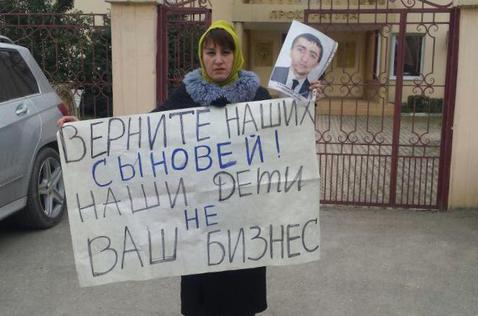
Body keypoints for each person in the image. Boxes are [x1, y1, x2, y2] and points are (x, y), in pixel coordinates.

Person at [58, 20, 324, 316]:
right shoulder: (184, 97)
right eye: (211, 52)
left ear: (236, 55)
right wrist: (84, 134)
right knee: (202, 303)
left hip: (243, 226)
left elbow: (284, 134)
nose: (219, 59)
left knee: (242, 301)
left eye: (226, 51)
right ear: (202, 57)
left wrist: (306, 102)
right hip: (199, 227)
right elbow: (141, 134)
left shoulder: (257, 98)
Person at [270, 32, 324, 98]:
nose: (304, 59)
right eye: (300, 50)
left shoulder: (312, 88)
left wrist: (313, 100)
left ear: (317, 64)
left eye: (312, 55)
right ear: (290, 51)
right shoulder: (275, 74)